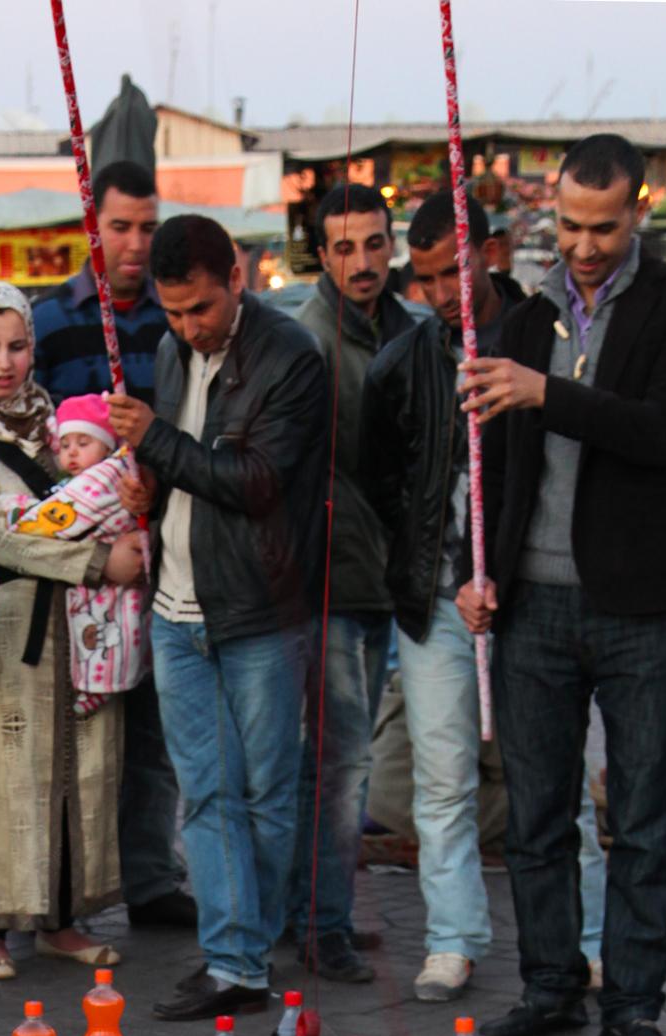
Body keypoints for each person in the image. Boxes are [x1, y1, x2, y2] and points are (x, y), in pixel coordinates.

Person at [456, 132, 666, 1036]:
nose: (585, 245)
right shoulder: (524, 323)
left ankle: (635, 1003)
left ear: (637, 209)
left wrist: (548, 393)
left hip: (644, 607)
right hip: (532, 606)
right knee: (535, 814)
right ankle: (550, 983)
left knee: (646, 815)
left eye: (603, 227)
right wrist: (472, 567)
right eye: (568, 225)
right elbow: (485, 466)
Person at [107, 214, 327, 1020]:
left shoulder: (290, 357)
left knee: (265, 791)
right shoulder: (170, 353)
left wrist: (158, 444)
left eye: (199, 308)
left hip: (262, 610)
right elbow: (183, 474)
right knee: (204, 791)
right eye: (171, 312)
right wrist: (148, 486)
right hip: (175, 607)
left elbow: (255, 481)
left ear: (235, 276)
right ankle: (234, 957)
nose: (187, 327)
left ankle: (249, 947)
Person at [0, 283, 142, 979]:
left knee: (83, 768)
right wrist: (101, 561)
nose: (5, 362)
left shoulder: (55, 421)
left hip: (81, 628)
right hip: (2, 623)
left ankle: (61, 919)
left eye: (18, 346)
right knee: (0, 772)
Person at [34, 160, 192, 931]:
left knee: (155, 729)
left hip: (159, 550)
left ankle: (153, 877)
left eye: (147, 227)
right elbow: (32, 446)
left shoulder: (174, 321)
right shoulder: (49, 320)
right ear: (92, 226)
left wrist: (152, 485)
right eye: (120, 226)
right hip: (74, 571)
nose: (134, 244)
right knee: (79, 732)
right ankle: (71, 886)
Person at [362, 187, 505, 1003]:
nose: (444, 292)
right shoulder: (403, 363)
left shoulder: (535, 340)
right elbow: (382, 480)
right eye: (426, 278)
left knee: (550, 778)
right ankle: (452, 939)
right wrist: (438, 571)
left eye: (455, 269)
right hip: (435, 598)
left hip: (529, 600)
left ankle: (586, 938)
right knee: (441, 778)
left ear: (490, 252)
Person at [290, 184, 415, 984]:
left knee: (342, 761)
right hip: (334, 575)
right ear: (321, 253)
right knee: (336, 766)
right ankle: (319, 923)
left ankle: (314, 914)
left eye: (374, 243)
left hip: (382, 574)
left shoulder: (402, 326)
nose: (363, 261)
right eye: (344, 247)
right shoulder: (313, 338)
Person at [0, 391, 147, 716]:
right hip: (102, 574)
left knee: (108, 630)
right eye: (65, 445)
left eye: (83, 443)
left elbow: (58, 518)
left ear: (107, 446)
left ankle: (102, 685)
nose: (72, 453)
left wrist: (16, 514)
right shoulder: (87, 477)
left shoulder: (105, 476)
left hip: (112, 582)